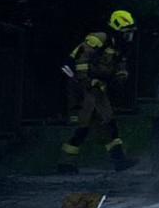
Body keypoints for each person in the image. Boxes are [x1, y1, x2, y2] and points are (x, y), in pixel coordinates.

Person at [57, 10, 139, 174]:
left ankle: (119, 160)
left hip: (96, 88)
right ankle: (65, 163)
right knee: (81, 125)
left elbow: (119, 65)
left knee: (107, 122)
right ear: (117, 29)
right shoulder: (100, 38)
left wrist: (121, 76)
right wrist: (86, 81)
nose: (129, 36)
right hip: (82, 87)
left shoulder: (119, 46)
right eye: (126, 32)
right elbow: (80, 62)